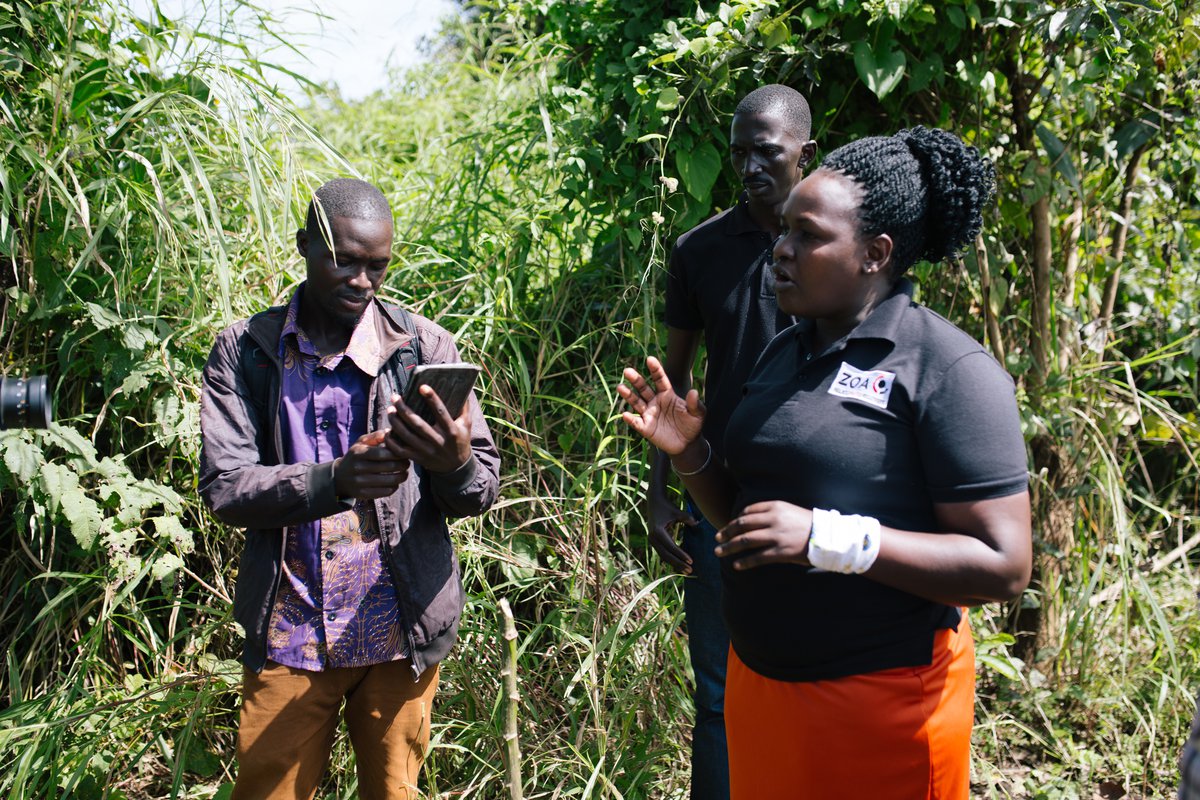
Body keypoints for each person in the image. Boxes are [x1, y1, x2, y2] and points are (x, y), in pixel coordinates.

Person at [619, 128, 1031, 799]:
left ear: (875, 253)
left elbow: (1003, 564)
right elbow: (753, 524)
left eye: (806, 236)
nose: (780, 250)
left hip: (881, 703)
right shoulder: (786, 350)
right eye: (783, 231)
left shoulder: (948, 370)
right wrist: (692, 454)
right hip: (763, 687)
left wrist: (829, 539)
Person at [199, 178, 500, 800]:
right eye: (345, 260)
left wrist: (453, 464)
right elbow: (226, 487)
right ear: (306, 244)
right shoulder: (247, 351)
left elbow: (478, 491)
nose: (363, 281)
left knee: (394, 792)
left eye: (378, 266)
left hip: (400, 635)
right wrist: (330, 481)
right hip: (291, 632)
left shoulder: (424, 349)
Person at [648, 84, 815, 800]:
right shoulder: (701, 250)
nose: (749, 165)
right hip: (723, 501)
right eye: (738, 150)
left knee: (819, 685)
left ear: (806, 155)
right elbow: (671, 387)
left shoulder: (843, 244)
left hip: (824, 503)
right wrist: (659, 494)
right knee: (719, 695)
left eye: (767, 152)